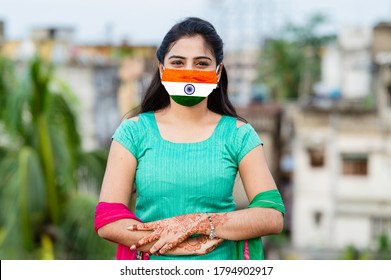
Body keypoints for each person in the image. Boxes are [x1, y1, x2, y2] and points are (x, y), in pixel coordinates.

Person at [94, 17, 285, 260]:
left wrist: (197, 223)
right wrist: (178, 245)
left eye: (201, 63)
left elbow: (271, 215)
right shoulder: (133, 132)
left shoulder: (238, 134)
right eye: (178, 62)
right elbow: (108, 218)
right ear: (162, 69)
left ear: (217, 72)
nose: (189, 72)